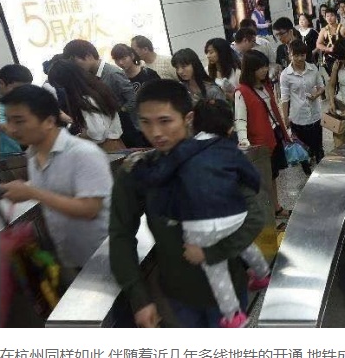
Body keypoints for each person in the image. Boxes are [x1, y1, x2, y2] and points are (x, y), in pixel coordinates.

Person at [109, 80, 264, 327]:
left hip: (228, 287)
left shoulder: (218, 159)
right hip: (178, 294)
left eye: (165, 121)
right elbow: (120, 234)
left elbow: (254, 217)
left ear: (188, 118)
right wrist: (138, 296)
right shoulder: (139, 172)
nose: (155, 133)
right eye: (145, 122)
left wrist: (212, 253)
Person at [2, 85, 113, 273]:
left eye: (19, 121)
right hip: (70, 256)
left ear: (49, 121)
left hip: (104, 254)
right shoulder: (33, 155)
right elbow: (55, 191)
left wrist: (32, 192)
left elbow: (90, 209)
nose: (11, 129)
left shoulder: (83, 153)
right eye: (8, 121)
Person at [234, 50, 292, 223]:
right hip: (258, 143)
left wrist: (284, 129)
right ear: (250, 69)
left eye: (265, 66)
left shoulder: (265, 85)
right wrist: (244, 143)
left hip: (273, 136)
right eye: (260, 67)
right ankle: (268, 218)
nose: (264, 70)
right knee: (263, 181)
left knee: (272, 176)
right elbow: (240, 120)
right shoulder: (242, 91)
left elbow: (274, 110)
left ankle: (276, 208)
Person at [62, 39, 142, 146]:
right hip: (108, 131)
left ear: (88, 56)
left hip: (126, 128)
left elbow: (133, 99)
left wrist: (118, 110)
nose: (75, 67)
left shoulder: (113, 73)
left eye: (75, 61)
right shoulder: (88, 75)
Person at [47, 59, 125, 153]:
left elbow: (97, 133)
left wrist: (79, 136)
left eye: (60, 86)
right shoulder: (97, 88)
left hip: (106, 149)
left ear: (67, 84)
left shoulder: (85, 100)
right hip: (116, 143)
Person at [280, 39, 326, 170]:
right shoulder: (285, 75)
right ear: (290, 55)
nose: (300, 58)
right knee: (302, 148)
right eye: (296, 55)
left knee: (317, 144)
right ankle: (306, 167)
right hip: (298, 116)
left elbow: (321, 86)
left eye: (302, 55)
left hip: (314, 114)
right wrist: (285, 118)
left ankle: (319, 162)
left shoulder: (313, 68)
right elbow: (285, 99)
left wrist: (316, 95)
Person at [0, 64, 33, 157]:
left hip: (16, 155)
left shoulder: (14, 101)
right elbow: (5, 127)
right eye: (17, 89)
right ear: (1, 83)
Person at [316, 7, 345, 75]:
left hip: (343, 58)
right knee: (332, 78)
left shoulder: (343, 28)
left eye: (332, 15)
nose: (329, 18)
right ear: (325, 17)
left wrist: (344, 48)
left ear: (336, 16)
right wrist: (328, 49)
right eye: (327, 16)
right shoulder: (323, 30)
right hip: (329, 59)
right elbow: (318, 44)